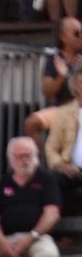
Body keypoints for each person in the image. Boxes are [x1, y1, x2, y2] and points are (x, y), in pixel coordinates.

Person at [25, 13, 82, 142]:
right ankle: (46, 157)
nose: (81, 36)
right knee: (31, 123)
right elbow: (47, 92)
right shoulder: (54, 59)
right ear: (63, 37)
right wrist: (61, 76)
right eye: (76, 33)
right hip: (64, 110)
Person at [44, 59, 82, 200]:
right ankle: (52, 216)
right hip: (70, 169)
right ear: (75, 87)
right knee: (52, 179)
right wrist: (61, 164)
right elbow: (51, 147)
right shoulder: (63, 113)